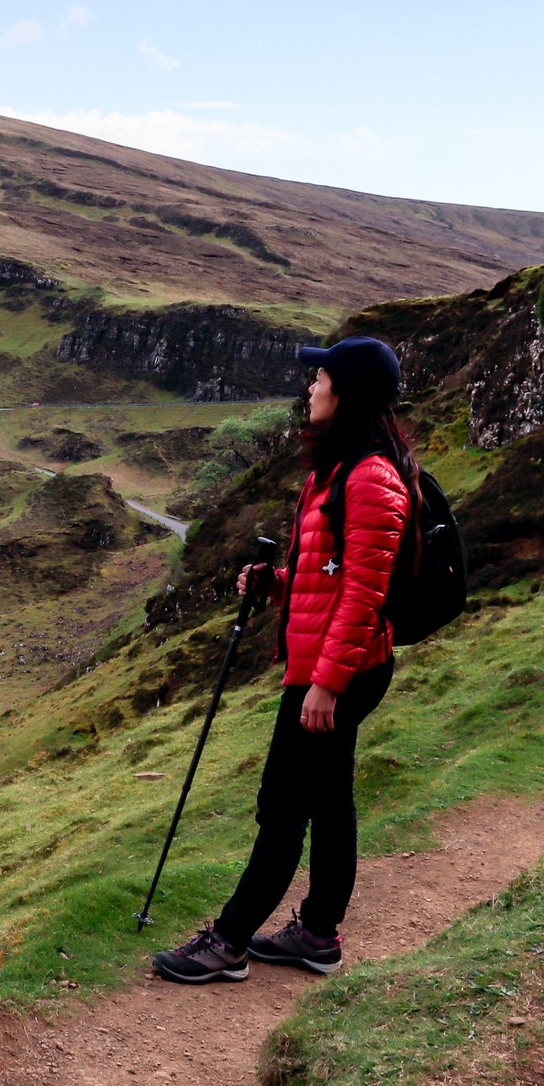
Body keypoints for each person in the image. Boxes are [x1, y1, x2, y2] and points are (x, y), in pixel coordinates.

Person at [152, 336, 414, 984]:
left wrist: (326, 684)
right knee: (328, 800)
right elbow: (332, 573)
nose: (310, 387)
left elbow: (364, 592)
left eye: (319, 377)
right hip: (334, 665)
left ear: (345, 390)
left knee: (282, 803)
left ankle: (229, 942)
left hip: (338, 671)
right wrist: (276, 584)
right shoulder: (339, 469)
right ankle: (317, 935)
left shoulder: (370, 478)